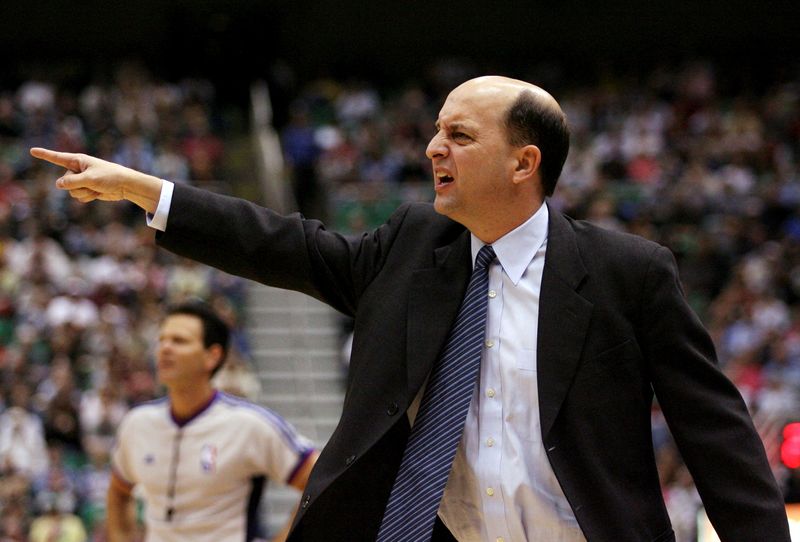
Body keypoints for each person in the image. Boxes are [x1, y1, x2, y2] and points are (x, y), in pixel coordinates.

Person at [31, 75, 790, 541]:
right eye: (434, 130)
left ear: (525, 163)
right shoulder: (409, 246)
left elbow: (716, 434)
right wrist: (147, 191)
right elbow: (285, 245)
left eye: (458, 135)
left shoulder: (629, 274)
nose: (433, 147)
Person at [104, 301, 318, 542]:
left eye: (179, 341)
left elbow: (319, 480)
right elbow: (118, 491)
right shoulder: (137, 423)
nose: (164, 348)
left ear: (212, 356)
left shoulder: (250, 424)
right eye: (161, 339)